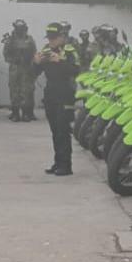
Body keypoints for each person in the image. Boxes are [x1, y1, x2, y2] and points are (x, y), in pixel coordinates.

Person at [35, 22, 81, 176]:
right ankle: (58, 162)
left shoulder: (70, 51)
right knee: (55, 130)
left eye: (54, 38)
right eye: (49, 38)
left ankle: (66, 165)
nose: (51, 41)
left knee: (63, 130)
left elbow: (76, 70)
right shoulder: (46, 50)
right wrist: (36, 63)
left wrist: (60, 61)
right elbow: (34, 73)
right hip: (50, 93)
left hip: (65, 93)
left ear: (62, 37)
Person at [4, 20, 38, 122]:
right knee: (14, 91)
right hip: (15, 68)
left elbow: (34, 53)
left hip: (26, 68)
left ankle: (26, 113)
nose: (19, 30)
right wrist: (13, 60)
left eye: (21, 28)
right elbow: (6, 54)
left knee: (26, 91)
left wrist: (30, 61)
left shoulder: (30, 40)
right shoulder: (10, 40)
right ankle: (15, 113)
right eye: (17, 28)